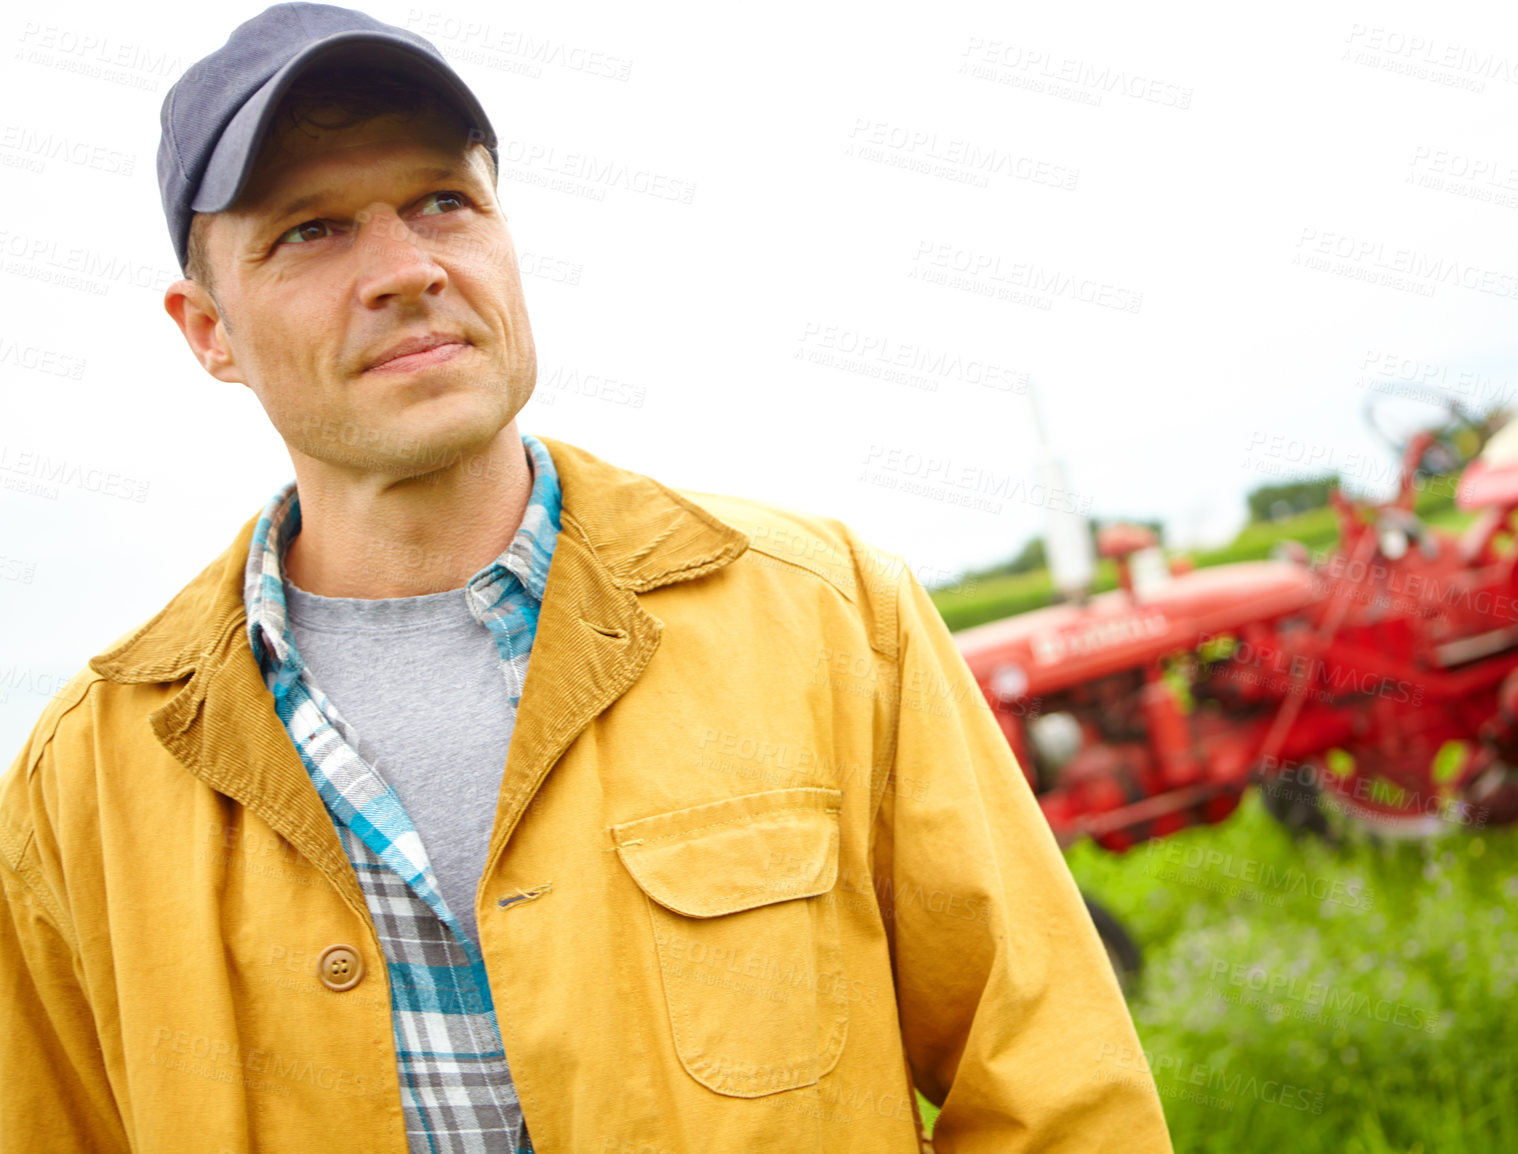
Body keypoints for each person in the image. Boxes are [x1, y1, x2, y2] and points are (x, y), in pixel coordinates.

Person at [0, 5, 1172, 1151]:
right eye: (311, 229)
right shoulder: (83, 786)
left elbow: (1058, 1098)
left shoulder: (825, 615)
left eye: (442, 202)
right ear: (207, 329)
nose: (407, 269)